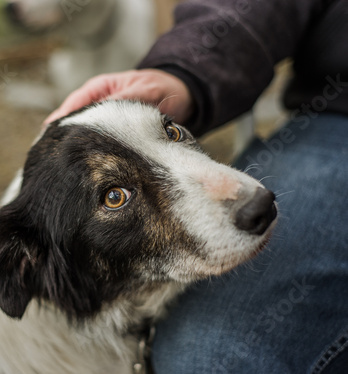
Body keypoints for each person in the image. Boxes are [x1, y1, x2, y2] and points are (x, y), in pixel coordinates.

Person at [45, 0, 348, 372]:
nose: (246, 195)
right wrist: (184, 72)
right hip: (338, 116)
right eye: (115, 195)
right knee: (211, 358)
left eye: (171, 132)